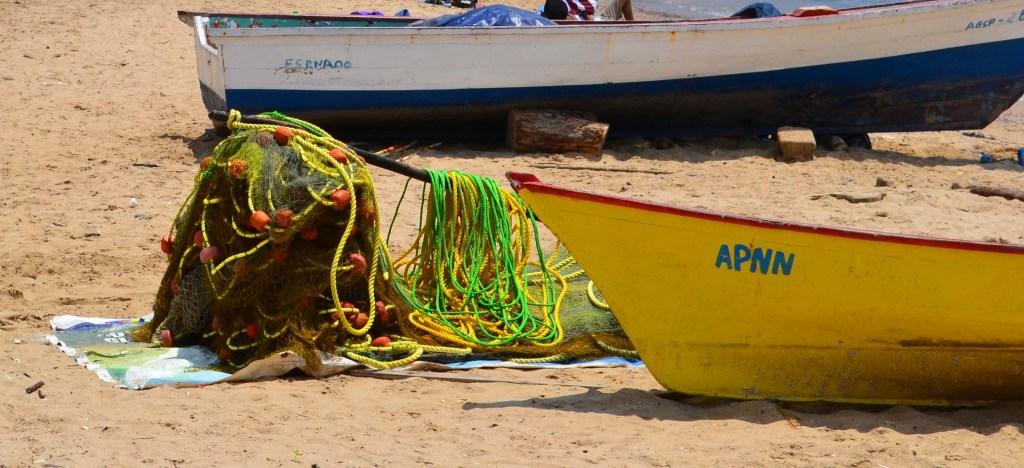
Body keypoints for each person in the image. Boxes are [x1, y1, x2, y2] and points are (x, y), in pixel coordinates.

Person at [541, 0, 634, 21]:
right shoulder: (571, 20)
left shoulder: (550, 15)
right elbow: (589, 22)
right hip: (600, 24)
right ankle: (632, 24)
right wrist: (587, 15)